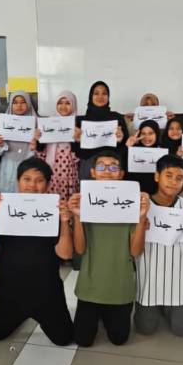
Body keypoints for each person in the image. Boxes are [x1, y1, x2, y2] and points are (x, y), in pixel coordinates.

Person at [0, 158, 75, 345]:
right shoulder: (5, 209)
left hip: (47, 288)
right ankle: (20, 314)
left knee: (64, 338)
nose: (32, 185)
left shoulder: (55, 210)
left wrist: (65, 221)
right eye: (27, 179)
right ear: (18, 181)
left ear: (48, 184)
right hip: (10, 287)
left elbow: (65, 254)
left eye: (39, 180)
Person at [69, 148, 149, 346]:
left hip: (120, 285)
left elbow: (135, 251)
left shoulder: (131, 203)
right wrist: (77, 216)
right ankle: (99, 315)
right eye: (101, 167)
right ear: (93, 172)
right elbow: (79, 250)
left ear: (121, 174)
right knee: (82, 340)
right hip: (90, 284)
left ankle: (106, 315)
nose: (107, 171)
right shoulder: (84, 202)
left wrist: (141, 218)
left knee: (119, 339)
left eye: (113, 168)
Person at [135, 155, 183, 336]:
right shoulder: (142, 205)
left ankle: (168, 307)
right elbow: (133, 246)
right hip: (149, 277)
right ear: (156, 176)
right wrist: (140, 225)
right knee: (145, 329)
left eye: (179, 178)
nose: (173, 182)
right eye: (168, 175)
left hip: (178, 278)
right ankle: (159, 307)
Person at [73, 81, 127, 180]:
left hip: (112, 167)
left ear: (108, 96)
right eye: (96, 93)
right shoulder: (81, 121)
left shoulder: (117, 118)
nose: (100, 97)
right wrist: (77, 141)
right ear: (91, 96)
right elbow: (77, 152)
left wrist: (120, 140)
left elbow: (125, 147)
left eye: (104, 93)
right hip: (88, 165)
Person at [36, 90, 80, 204]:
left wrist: (77, 139)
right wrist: (38, 139)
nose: (63, 106)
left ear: (73, 105)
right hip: (51, 171)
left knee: (67, 204)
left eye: (68, 103)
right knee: (51, 204)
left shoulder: (78, 125)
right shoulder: (47, 124)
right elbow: (40, 153)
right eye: (60, 103)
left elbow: (79, 156)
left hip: (69, 173)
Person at [0, 91, 40, 194]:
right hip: (8, 167)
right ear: (11, 104)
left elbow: (42, 153)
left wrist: (36, 146)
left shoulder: (37, 125)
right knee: (7, 197)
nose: (19, 106)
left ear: (28, 103)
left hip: (29, 167)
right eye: (15, 102)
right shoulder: (5, 124)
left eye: (23, 102)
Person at [124, 119, 163, 196]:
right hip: (132, 194)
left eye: (151, 133)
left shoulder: (163, 152)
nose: (146, 137)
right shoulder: (132, 150)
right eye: (143, 133)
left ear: (157, 134)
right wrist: (127, 147)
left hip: (155, 195)